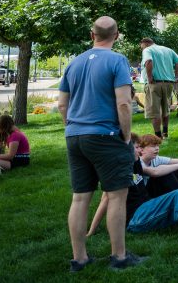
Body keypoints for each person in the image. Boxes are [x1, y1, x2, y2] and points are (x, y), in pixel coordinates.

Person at [58, 16, 142, 272]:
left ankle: (79, 259)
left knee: (80, 198)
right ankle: (119, 257)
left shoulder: (74, 63)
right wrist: (126, 136)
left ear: (91, 34)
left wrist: (71, 127)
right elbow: (124, 103)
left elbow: (62, 104)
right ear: (117, 36)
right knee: (117, 196)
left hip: (75, 136)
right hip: (106, 135)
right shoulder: (118, 61)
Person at [87, 138, 178, 239]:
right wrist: (91, 231)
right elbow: (105, 200)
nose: (140, 150)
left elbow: (159, 170)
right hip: (135, 219)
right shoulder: (118, 170)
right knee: (177, 195)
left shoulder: (136, 164)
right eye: (136, 147)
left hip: (147, 207)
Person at [140, 38, 178, 139]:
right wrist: (177, 76)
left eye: (140, 46)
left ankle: (158, 136)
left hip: (154, 83)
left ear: (144, 43)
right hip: (168, 83)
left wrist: (150, 78)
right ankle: (165, 133)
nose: (141, 49)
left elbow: (148, 61)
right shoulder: (168, 50)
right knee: (165, 109)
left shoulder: (147, 50)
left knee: (154, 111)